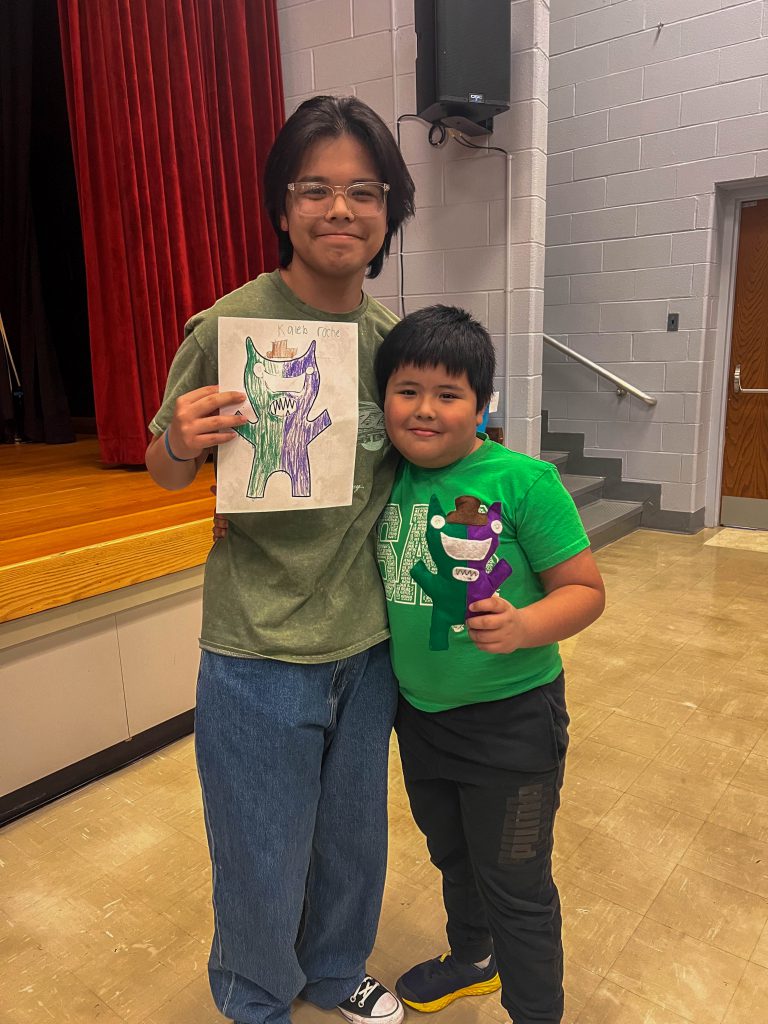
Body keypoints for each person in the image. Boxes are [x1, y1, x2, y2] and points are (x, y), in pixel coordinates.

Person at [145, 95, 415, 1024]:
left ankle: (337, 971)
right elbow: (163, 472)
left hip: (368, 644)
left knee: (351, 837)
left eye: (363, 192)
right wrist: (178, 441)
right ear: (283, 205)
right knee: (259, 845)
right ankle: (256, 998)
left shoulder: (392, 343)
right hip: (256, 649)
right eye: (316, 189)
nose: (340, 211)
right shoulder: (227, 329)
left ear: (388, 211)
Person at [373, 305, 606, 1024]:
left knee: (518, 885)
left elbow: (586, 592)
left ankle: (536, 1012)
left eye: (449, 394)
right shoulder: (384, 481)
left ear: (480, 405)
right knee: (453, 858)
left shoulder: (525, 482)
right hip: (422, 721)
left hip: (513, 729)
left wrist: (525, 624)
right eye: (407, 390)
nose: (425, 410)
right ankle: (473, 960)